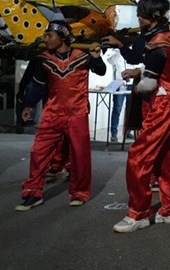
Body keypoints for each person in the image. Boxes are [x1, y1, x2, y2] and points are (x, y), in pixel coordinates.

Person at [113, 0, 170, 233]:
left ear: (151, 16)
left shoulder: (158, 42)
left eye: (141, 13)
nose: (138, 17)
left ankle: (138, 213)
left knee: (139, 155)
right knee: (169, 155)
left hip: (162, 103)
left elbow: (148, 83)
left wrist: (139, 80)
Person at [15, 21, 105, 211]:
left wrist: (96, 58)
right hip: (52, 112)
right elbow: (38, 86)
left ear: (62, 37)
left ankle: (79, 192)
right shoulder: (44, 59)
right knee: (38, 152)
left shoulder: (83, 56)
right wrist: (29, 105)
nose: (45, 39)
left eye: (49, 35)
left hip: (77, 112)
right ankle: (32, 192)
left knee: (80, 156)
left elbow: (101, 70)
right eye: (45, 35)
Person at [105, 46, 128, 142]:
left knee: (130, 109)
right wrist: (119, 50)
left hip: (131, 83)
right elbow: (110, 60)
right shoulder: (115, 52)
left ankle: (128, 131)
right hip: (119, 84)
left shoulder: (131, 51)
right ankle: (114, 133)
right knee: (117, 109)